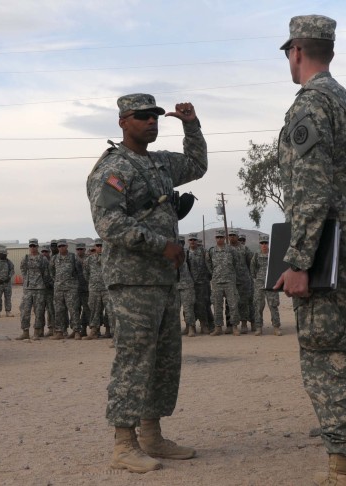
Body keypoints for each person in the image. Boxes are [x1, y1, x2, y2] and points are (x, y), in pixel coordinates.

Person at [274, 15, 346, 485]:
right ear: (331, 51)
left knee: (328, 361)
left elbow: (309, 191)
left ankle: (345, 470)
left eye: (288, 54)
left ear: (297, 51)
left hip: (326, 256)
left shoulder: (309, 107)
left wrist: (299, 261)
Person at [87, 93, 207, 472]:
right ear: (123, 121)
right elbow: (109, 224)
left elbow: (196, 165)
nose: (152, 122)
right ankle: (124, 443)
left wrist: (191, 125)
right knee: (134, 358)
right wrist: (162, 246)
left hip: (163, 280)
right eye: (143, 116)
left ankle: (152, 435)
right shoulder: (113, 168)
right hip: (133, 281)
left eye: (155, 116)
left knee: (164, 360)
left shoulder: (159, 163)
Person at [206, 229, 241, 336]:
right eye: (218, 237)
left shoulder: (231, 250)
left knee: (233, 304)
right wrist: (215, 274)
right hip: (217, 282)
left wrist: (230, 274)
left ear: (224, 238)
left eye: (221, 237)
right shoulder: (211, 251)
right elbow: (209, 265)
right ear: (215, 238)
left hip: (229, 281)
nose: (220, 239)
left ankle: (234, 326)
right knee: (217, 305)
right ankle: (218, 328)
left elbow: (236, 263)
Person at [18, 238, 51, 340]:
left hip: (40, 289)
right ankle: (25, 332)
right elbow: (23, 269)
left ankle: (37, 332)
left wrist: (42, 283)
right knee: (24, 311)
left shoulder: (43, 259)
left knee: (39, 311)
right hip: (28, 289)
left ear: (37, 247)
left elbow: (46, 273)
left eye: (34, 246)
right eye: (31, 246)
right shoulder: (26, 258)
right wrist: (27, 280)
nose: (32, 248)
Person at [250, 233, 282, 336]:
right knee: (258, 305)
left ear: (269, 244)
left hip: (271, 283)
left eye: (266, 243)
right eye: (262, 243)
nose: (264, 245)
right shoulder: (256, 254)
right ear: (260, 244)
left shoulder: (273, 254)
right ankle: (258, 327)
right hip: (259, 283)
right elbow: (253, 268)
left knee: (273, 305)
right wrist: (258, 278)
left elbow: (278, 267)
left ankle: (276, 327)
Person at [49, 239, 81, 340]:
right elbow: (51, 272)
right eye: (59, 246)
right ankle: (60, 331)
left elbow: (78, 271)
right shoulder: (54, 258)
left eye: (63, 246)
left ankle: (76, 331)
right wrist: (57, 281)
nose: (61, 248)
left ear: (67, 246)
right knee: (59, 310)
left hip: (71, 289)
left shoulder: (73, 257)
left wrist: (73, 283)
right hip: (58, 288)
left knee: (73, 310)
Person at [83, 238, 113, 340]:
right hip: (94, 289)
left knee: (110, 310)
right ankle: (94, 331)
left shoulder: (109, 258)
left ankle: (110, 331)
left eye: (101, 245)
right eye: (98, 246)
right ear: (95, 247)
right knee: (94, 310)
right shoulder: (89, 260)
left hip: (107, 289)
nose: (100, 247)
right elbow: (86, 273)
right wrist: (92, 283)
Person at [187, 233, 213, 334]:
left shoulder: (203, 251)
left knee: (202, 305)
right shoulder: (186, 252)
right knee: (190, 305)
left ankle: (204, 325)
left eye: (194, 240)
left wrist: (209, 277)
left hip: (202, 283)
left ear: (197, 241)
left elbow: (209, 265)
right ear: (188, 241)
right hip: (190, 284)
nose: (192, 242)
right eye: (191, 240)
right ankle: (190, 326)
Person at [228, 229, 252, 334]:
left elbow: (250, 263)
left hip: (243, 280)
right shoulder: (226, 249)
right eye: (230, 235)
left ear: (237, 237)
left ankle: (244, 324)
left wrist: (249, 276)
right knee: (230, 303)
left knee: (243, 302)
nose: (232, 237)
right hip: (230, 281)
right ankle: (231, 325)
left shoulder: (244, 249)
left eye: (234, 235)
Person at [177, 237, 197, 337]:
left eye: (181, 242)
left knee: (188, 308)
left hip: (186, 283)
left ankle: (191, 327)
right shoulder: (169, 253)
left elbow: (192, 268)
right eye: (178, 242)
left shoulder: (187, 253)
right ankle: (182, 328)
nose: (180, 244)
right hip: (174, 284)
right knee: (175, 309)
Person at [0, 249, 15, 318]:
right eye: (4, 254)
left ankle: (8, 312)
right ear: (0, 254)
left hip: (7, 283)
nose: (5, 255)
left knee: (8, 297)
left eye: (6, 254)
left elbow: (12, 270)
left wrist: (9, 277)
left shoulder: (8, 262)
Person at [39, 245, 56, 336]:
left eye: (46, 252)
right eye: (43, 252)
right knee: (40, 310)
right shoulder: (39, 262)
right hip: (40, 290)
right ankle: (40, 329)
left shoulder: (52, 261)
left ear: (49, 252)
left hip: (50, 290)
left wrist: (51, 283)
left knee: (51, 310)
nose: (44, 253)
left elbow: (56, 274)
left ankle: (51, 329)